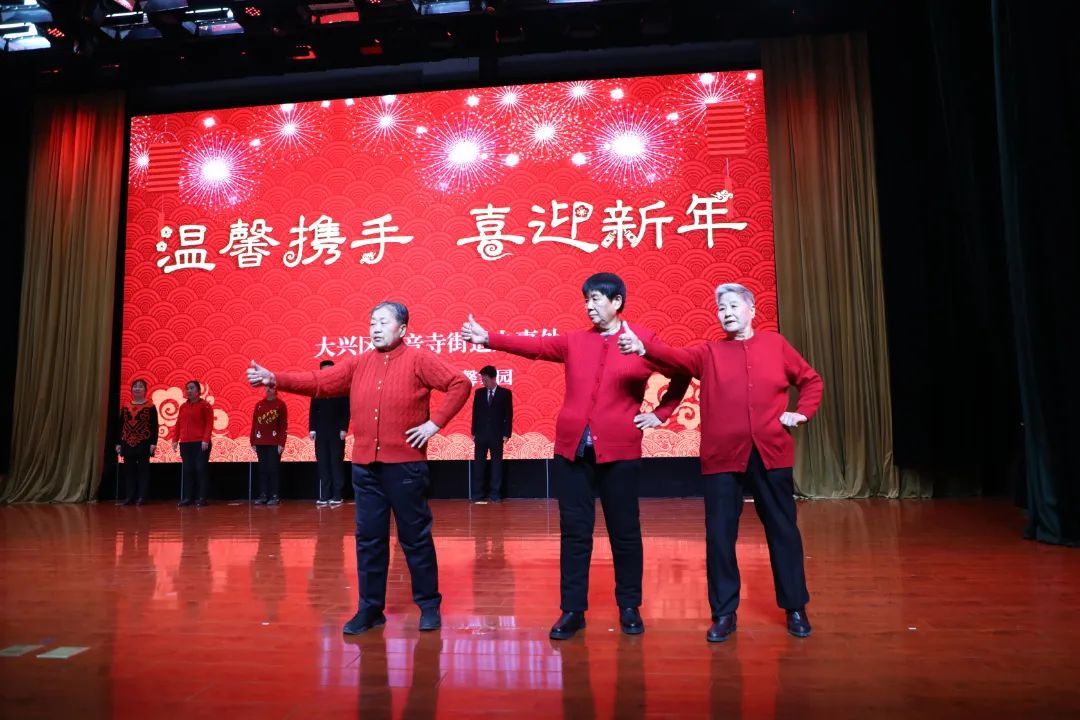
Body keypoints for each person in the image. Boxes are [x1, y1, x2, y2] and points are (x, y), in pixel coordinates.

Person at [461, 272, 691, 640]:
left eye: (596, 298)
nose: (589, 306)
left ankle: (629, 606)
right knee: (574, 532)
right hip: (572, 451)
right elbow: (534, 346)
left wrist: (661, 413)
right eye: (586, 299)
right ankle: (572, 610)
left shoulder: (642, 339)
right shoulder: (575, 341)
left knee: (625, 532)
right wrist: (488, 337)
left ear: (617, 302)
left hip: (620, 452)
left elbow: (682, 369)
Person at [247, 301, 471, 635]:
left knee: (414, 539)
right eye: (372, 323)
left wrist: (434, 424)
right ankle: (370, 609)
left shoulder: (419, 359)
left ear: (402, 329)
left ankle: (428, 606)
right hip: (365, 467)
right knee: (369, 540)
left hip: (406, 466)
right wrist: (274, 378)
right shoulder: (359, 363)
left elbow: (460, 383)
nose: (376, 328)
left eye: (383, 322)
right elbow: (319, 382)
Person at [618, 282, 823, 641]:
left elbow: (811, 381)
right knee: (720, 536)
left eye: (733, 306)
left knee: (783, 531)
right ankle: (724, 613)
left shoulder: (775, 345)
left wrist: (801, 413)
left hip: (771, 454)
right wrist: (644, 346)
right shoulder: (708, 353)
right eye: (721, 308)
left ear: (751, 310)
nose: (726, 313)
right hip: (722, 459)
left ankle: (795, 607)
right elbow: (675, 358)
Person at [310, 359, 350, 507]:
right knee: (323, 463)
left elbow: (346, 410)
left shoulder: (341, 388)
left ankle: (337, 495)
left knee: (336, 462)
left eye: (329, 370)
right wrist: (312, 429)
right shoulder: (317, 389)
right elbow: (313, 411)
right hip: (321, 432)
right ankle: (325, 495)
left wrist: (344, 428)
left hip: (336, 432)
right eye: (324, 370)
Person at [470, 365, 513, 503]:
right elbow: (475, 413)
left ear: (493, 378)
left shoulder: (505, 393)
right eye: (482, 379)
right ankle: (478, 494)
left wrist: (506, 433)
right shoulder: (479, 393)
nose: (483, 382)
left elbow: (509, 415)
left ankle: (495, 494)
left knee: (496, 465)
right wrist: (473, 432)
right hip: (480, 434)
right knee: (479, 465)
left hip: (497, 434)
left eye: (485, 379)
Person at [115, 379, 159, 505]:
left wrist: (153, 443)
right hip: (127, 442)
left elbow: (154, 426)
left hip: (144, 442)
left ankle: (142, 497)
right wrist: (118, 443)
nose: (137, 388)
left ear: (145, 390)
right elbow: (120, 425)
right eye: (135, 386)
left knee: (143, 470)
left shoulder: (150, 406)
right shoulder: (126, 405)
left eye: (140, 386)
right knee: (129, 471)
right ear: (131, 389)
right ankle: (130, 497)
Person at [174, 380, 213, 507]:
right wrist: (175, 439)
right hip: (185, 443)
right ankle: (188, 497)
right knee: (188, 470)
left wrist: (205, 439)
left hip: (200, 443)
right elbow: (178, 423)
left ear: (198, 391)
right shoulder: (183, 407)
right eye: (187, 388)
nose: (189, 391)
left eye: (191, 388)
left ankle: (202, 497)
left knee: (200, 469)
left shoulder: (205, 405)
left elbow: (209, 423)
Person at [251, 384, 288, 505]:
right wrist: (252, 441)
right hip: (260, 441)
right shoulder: (259, 405)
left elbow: (283, 425)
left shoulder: (280, 405)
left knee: (273, 468)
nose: (268, 389)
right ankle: (263, 494)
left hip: (274, 442)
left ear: (275, 390)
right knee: (262, 469)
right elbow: (254, 424)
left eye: (270, 387)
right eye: (266, 387)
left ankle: (275, 495)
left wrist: (281, 443)